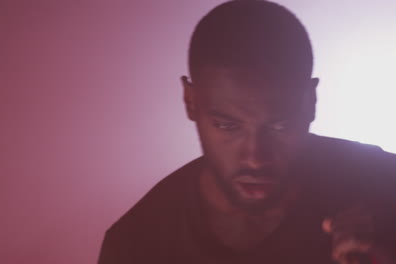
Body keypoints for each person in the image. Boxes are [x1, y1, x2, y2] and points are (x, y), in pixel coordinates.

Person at [98, 1, 396, 264]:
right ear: (191, 102)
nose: (255, 158)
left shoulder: (383, 183)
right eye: (228, 126)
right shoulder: (136, 245)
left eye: (279, 126)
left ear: (310, 102)